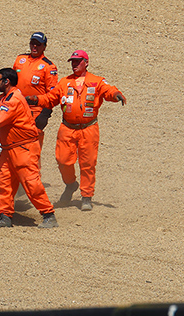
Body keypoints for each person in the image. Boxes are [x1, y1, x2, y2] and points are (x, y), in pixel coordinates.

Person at [26, 50, 126, 211]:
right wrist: (36, 99)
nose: (74, 64)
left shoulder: (96, 81)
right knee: (63, 160)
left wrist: (116, 95)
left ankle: (86, 196)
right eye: (72, 61)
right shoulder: (64, 82)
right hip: (67, 127)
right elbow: (51, 98)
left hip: (89, 128)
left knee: (88, 163)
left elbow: (108, 90)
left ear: (86, 62)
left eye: (77, 61)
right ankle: (71, 184)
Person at [0, 68, 58, 228]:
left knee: (31, 183)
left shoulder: (13, 100)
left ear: (6, 82)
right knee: (4, 183)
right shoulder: (4, 98)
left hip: (23, 148)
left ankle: (48, 215)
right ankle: (4, 217)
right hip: (10, 149)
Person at [12, 31, 58, 149]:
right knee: (12, 144)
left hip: (35, 113)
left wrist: (45, 114)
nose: (35, 46)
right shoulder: (20, 59)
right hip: (16, 108)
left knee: (31, 149)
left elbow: (52, 94)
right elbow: (11, 82)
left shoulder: (48, 67)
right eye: (33, 43)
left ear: (44, 47)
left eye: (38, 44)